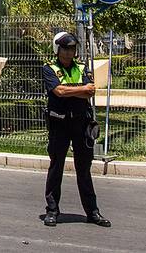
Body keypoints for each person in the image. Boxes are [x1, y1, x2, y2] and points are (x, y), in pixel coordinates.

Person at [41, 31, 109, 228]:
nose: (70, 52)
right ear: (58, 49)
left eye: (72, 49)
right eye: (66, 49)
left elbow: (91, 90)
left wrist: (70, 91)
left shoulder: (82, 67)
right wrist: (79, 90)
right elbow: (58, 91)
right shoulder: (49, 68)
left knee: (84, 169)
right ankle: (52, 211)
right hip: (59, 124)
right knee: (56, 167)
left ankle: (93, 212)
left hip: (81, 123)